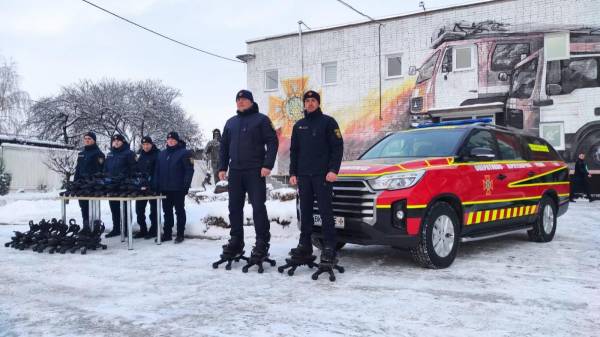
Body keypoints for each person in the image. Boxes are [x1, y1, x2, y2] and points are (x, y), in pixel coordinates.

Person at [217, 89, 278, 264]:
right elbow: (224, 147)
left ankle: (262, 243)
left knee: (258, 207)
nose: (241, 102)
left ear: (251, 101)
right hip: (235, 171)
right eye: (238, 100)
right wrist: (222, 167)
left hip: (255, 170)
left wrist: (267, 165)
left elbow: (272, 142)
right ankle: (236, 242)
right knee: (234, 208)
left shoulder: (261, 120)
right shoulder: (231, 123)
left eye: (244, 99)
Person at [288, 90, 344, 268]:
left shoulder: (328, 122)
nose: (310, 103)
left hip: (322, 176)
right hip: (304, 176)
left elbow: (337, 147)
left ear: (318, 103)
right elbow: (294, 152)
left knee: (325, 212)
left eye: (313, 100)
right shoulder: (299, 126)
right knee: (305, 212)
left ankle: (329, 247)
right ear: (304, 104)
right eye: (307, 101)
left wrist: (334, 169)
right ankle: (305, 246)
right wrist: (293, 173)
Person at [154, 132, 195, 243]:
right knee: (167, 212)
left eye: (173, 139)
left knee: (179, 211)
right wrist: (157, 185)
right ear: (166, 141)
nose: (171, 141)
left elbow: (189, 170)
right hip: (165, 188)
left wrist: (185, 186)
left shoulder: (184, 153)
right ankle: (167, 233)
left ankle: (180, 234)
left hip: (178, 188)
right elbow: (157, 171)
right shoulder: (162, 154)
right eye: (169, 139)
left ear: (177, 141)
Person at [104, 134, 136, 238]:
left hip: (124, 185)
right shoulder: (109, 154)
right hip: (112, 185)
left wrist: (126, 178)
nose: (116, 142)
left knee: (125, 208)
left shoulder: (129, 153)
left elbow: (133, 169)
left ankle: (127, 229)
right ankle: (116, 228)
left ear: (122, 142)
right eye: (114, 141)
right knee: (114, 208)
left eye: (118, 141)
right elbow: (105, 169)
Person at [73, 131, 105, 228]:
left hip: (92, 185)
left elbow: (101, 170)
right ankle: (86, 226)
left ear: (94, 141)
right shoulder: (81, 154)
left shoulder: (99, 154)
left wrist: (95, 182)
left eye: (89, 139)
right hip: (81, 184)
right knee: (83, 206)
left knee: (93, 206)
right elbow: (78, 169)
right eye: (85, 139)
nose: (87, 141)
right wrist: (75, 183)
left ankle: (95, 227)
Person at [134, 136, 160, 239]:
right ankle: (143, 229)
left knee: (153, 211)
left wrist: (152, 183)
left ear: (151, 144)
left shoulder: (158, 154)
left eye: (147, 144)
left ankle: (153, 230)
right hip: (141, 187)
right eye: (143, 145)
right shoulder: (141, 155)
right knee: (139, 210)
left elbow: (158, 172)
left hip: (153, 187)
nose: (145, 146)